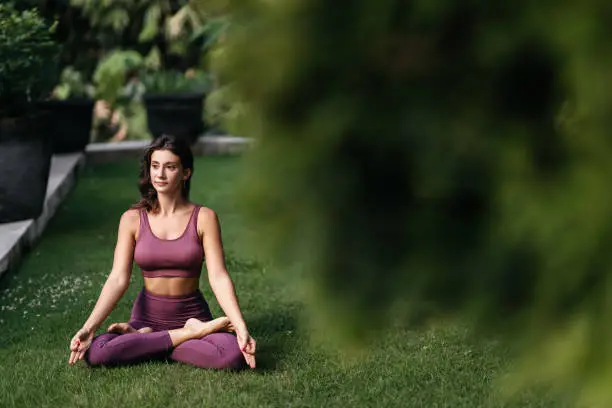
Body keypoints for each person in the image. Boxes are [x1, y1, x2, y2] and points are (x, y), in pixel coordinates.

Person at [68, 134, 256, 369]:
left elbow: (218, 277)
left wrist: (240, 326)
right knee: (97, 352)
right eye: (155, 166)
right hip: (146, 318)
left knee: (231, 355)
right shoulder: (132, 219)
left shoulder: (204, 218)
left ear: (185, 173)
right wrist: (89, 328)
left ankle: (144, 341)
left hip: (192, 314)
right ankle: (188, 335)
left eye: (170, 167)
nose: (160, 174)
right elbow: (118, 278)